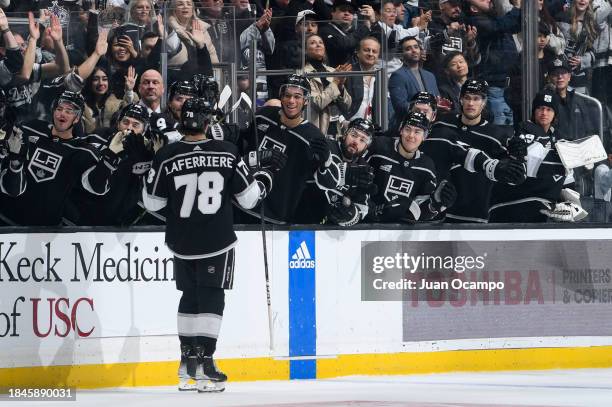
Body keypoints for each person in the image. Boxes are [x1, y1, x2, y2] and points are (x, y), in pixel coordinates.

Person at [142, 97, 275, 393]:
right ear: (207, 122)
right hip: (217, 239)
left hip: (180, 239)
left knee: (189, 296)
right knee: (212, 297)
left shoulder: (167, 154)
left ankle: (187, 365)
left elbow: (151, 202)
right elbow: (250, 199)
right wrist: (267, 176)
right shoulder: (227, 152)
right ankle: (206, 364)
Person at [0, 91, 122, 226]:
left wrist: (110, 157)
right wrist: (15, 162)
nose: (62, 114)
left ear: (77, 118)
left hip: (43, 230)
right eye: (59, 109)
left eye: (69, 111)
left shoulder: (84, 151)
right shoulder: (29, 129)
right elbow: (8, 184)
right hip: (5, 220)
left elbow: (97, 188)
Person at [421, 79, 526, 223]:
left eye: (476, 98)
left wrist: (517, 157)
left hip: (476, 214)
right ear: (460, 99)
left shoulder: (497, 136)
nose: (471, 103)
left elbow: (515, 177)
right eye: (467, 98)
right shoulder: (442, 124)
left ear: (484, 102)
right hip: (436, 211)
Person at [238, 74, 325, 224]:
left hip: (276, 217)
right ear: (281, 97)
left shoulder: (314, 137)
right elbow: (241, 152)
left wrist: (325, 162)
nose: (291, 101)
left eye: (297, 96)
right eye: (287, 95)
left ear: (306, 101)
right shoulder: (262, 116)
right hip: (240, 203)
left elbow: (318, 181)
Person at [489, 90, 587, 222]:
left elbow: (568, 184)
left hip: (542, 211)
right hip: (512, 207)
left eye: (549, 109)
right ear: (534, 111)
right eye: (540, 108)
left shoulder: (560, 141)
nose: (544, 113)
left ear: (555, 114)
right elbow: (530, 163)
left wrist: (572, 206)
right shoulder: (521, 131)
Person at [364, 111, 457, 222]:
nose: (411, 136)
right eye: (408, 129)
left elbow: (420, 212)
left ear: (424, 136)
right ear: (401, 130)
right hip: (367, 224)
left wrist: (437, 203)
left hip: (399, 232)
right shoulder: (379, 147)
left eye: (417, 132)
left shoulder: (427, 167)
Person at [314, 118, 376, 226]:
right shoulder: (327, 147)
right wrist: (344, 173)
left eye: (362, 140)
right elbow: (323, 180)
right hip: (308, 217)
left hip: (333, 230)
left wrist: (353, 214)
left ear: (366, 147)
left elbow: (363, 206)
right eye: (354, 135)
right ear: (344, 134)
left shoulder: (364, 169)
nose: (356, 142)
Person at [304, 34, 352, 135]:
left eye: (320, 43)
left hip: (336, 126)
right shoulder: (304, 73)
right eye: (313, 43)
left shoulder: (333, 71)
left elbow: (347, 104)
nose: (318, 45)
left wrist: (341, 86)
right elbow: (317, 103)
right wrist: (335, 82)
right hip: (316, 126)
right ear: (305, 50)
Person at [388, 36, 439, 129]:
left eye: (416, 47)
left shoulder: (430, 76)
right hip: (406, 126)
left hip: (429, 126)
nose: (414, 50)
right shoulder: (397, 75)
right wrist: (422, 108)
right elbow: (400, 106)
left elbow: (436, 100)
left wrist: (438, 105)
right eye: (408, 49)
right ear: (401, 55)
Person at [318, 0, 375, 67]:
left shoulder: (356, 30)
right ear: (332, 12)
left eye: (351, 11)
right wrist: (366, 27)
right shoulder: (325, 30)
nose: (347, 13)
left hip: (357, 73)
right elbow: (343, 44)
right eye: (343, 10)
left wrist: (372, 22)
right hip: (335, 74)